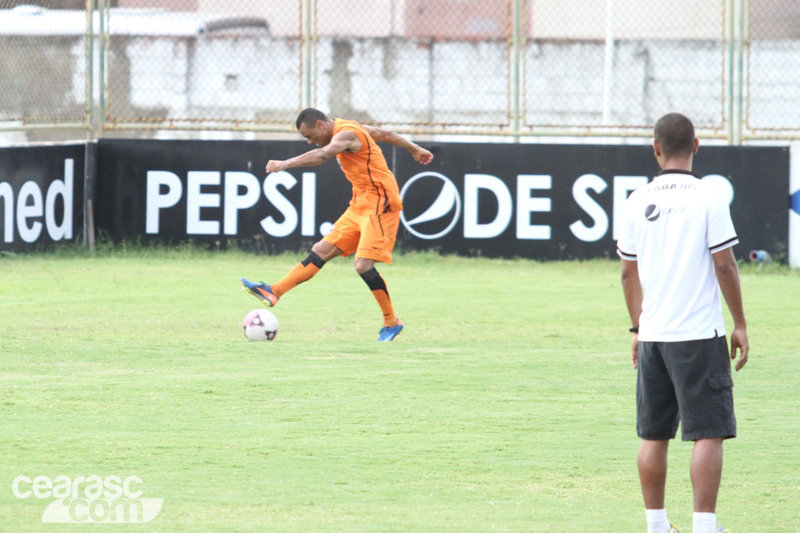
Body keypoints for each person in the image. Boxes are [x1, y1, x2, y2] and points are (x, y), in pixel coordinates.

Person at [617, 113, 749, 533]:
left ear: (656, 149)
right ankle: (704, 526)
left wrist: (637, 328)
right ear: (696, 146)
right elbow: (725, 266)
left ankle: (657, 526)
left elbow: (627, 273)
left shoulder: (637, 200)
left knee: (652, 436)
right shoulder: (709, 196)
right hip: (699, 335)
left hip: (654, 335)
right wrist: (741, 323)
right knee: (708, 432)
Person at [241, 108, 433, 342]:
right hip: (360, 204)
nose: (311, 142)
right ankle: (274, 291)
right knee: (321, 250)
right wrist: (415, 149)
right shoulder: (351, 127)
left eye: (309, 136)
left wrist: (285, 164)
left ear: (321, 125)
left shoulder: (347, 134)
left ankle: (391, 322)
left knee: (363, 265)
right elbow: (385, 133)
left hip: (381, 205)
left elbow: (322, 156)